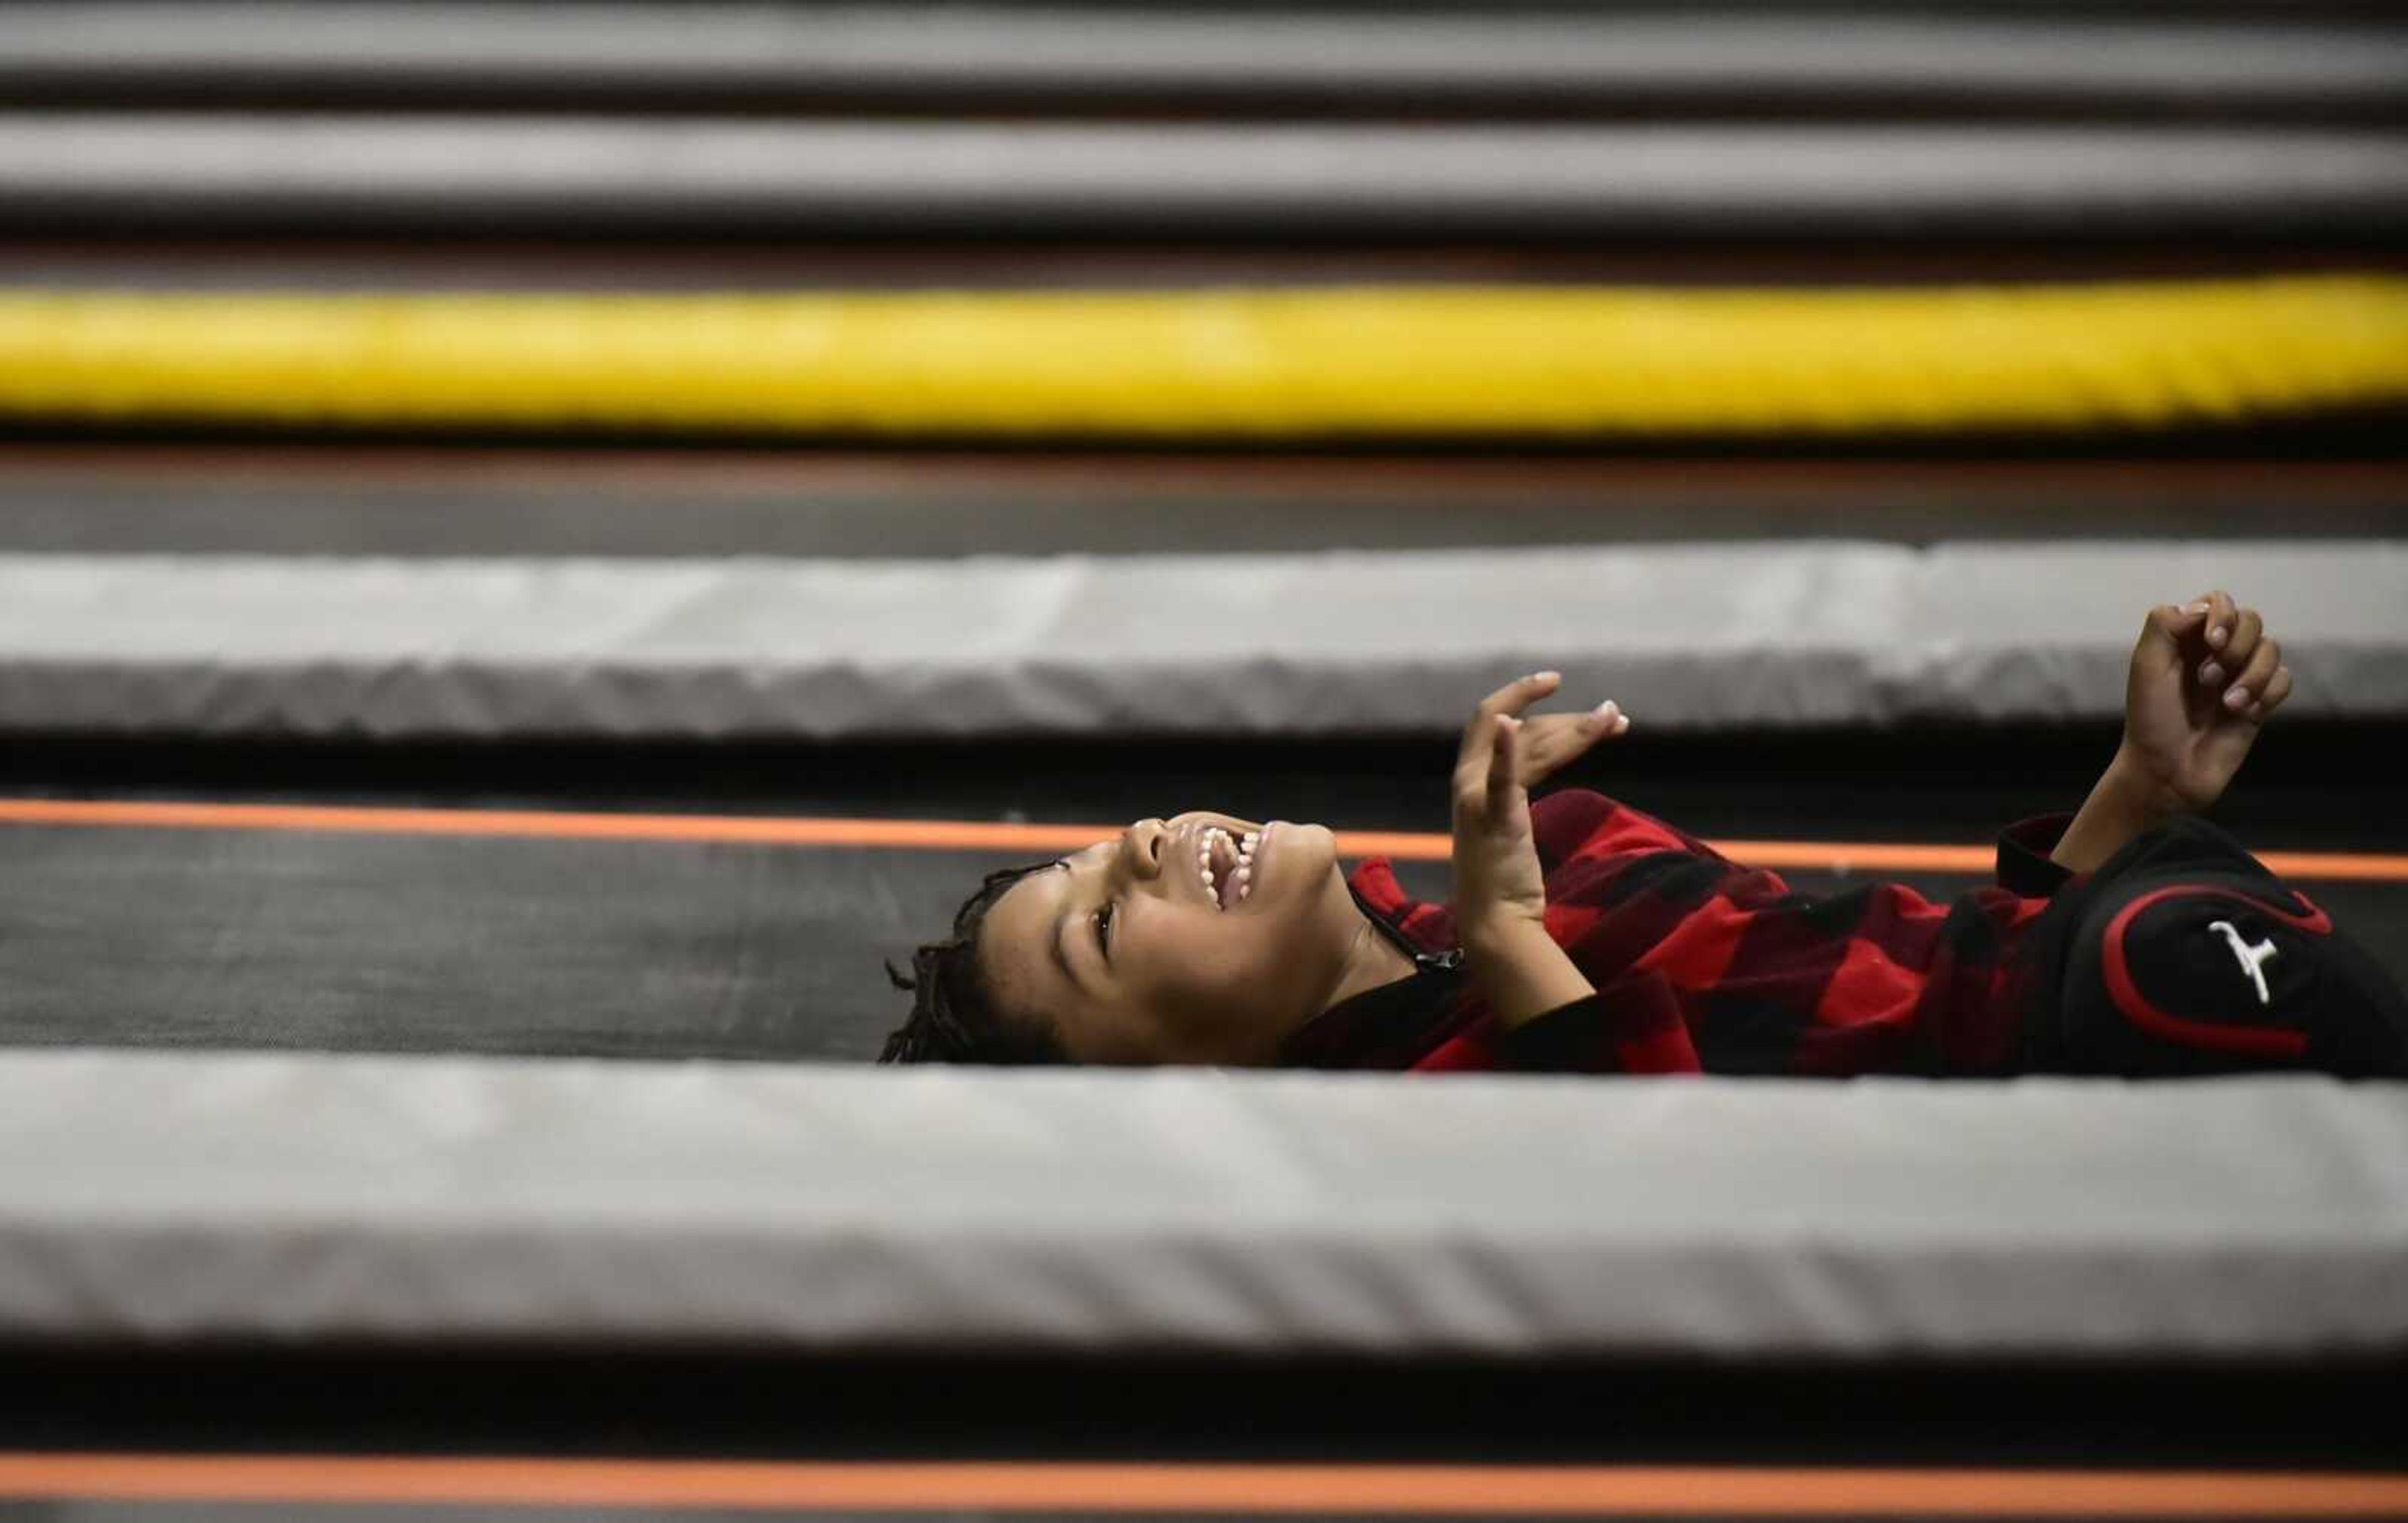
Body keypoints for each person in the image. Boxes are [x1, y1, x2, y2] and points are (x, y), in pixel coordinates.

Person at [879, 591, 2407, 1078]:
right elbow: (1673, 1190)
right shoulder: (1415, 1118)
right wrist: (1509, 943)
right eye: (1099, 927)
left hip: (2097, 945)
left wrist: (2140, 794)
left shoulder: (1554, 837)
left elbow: (1940, 977)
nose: (1141, 841)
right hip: (2089, 1045)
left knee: (2145, 935)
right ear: (1179, 1090)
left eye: (1102, 842)